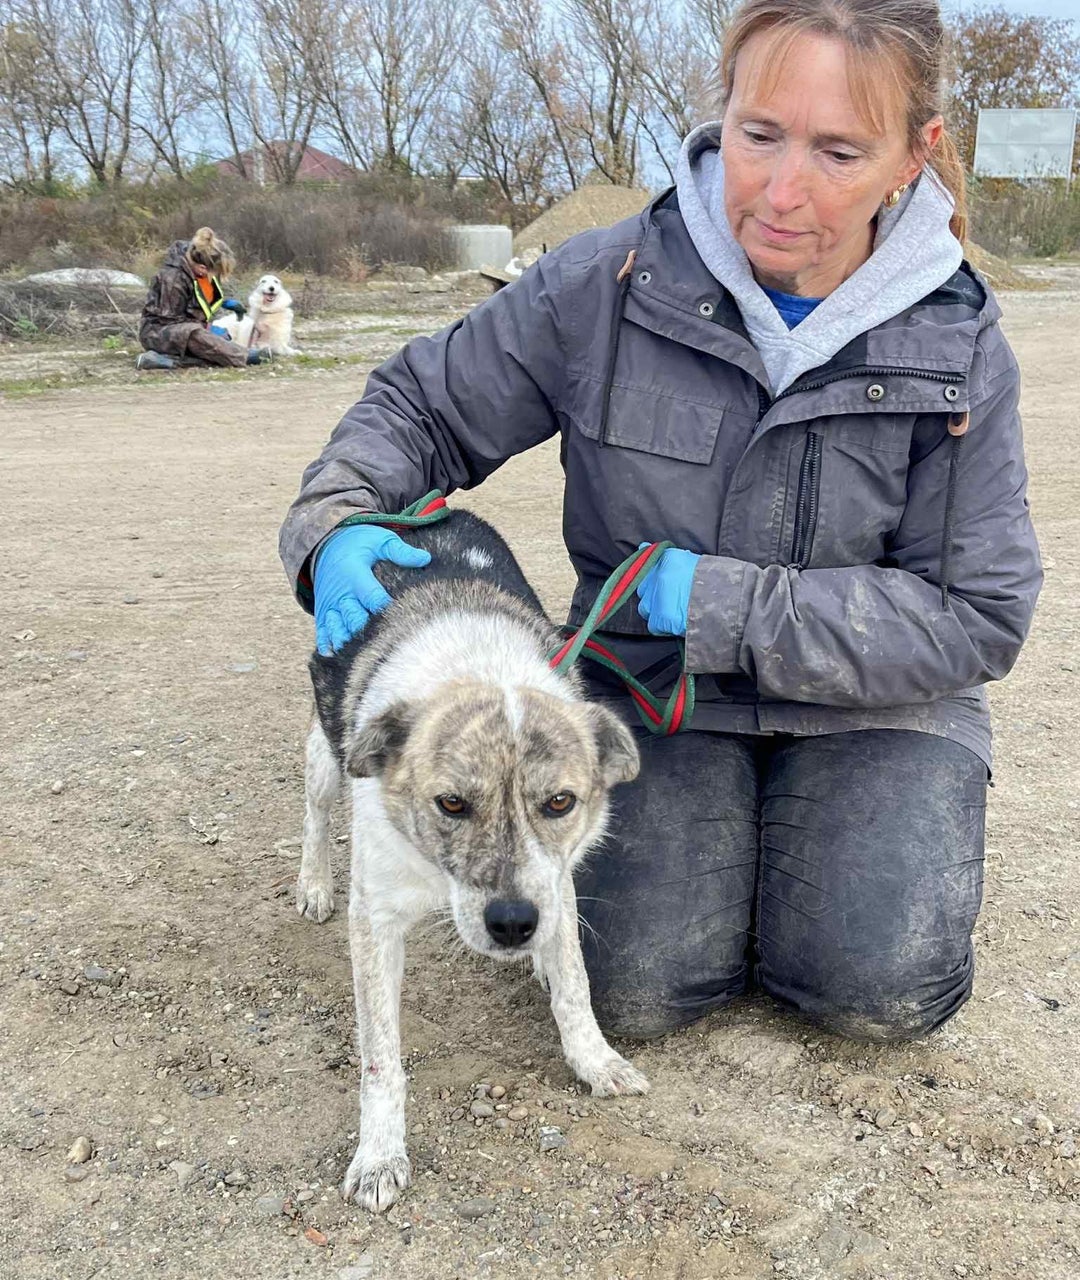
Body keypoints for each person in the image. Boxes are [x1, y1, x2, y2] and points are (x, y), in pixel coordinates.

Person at [279, 0, 1042, 1045]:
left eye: (838, 152)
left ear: (915, 155)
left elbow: (979, 613)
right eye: (759, 135)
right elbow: (420, 407)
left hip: (876, 705)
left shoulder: (960, 342)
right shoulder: (602, 282)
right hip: (656, 691)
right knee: (637, 988)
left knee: (878, 989)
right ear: (722, 115)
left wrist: (719, 602)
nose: (781, 192)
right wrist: (334, 524)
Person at [137, 226, 270, 371]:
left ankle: (162, 361)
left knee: (215, 341)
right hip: (157, 333)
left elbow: (198, 302)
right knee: (195, 334)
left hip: (182, 328)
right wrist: (205, 328)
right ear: (202, 268)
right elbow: (169, 321)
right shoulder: (173, 279)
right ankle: (244, 356)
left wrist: (221, 309)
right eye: (216, 272)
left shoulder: (197, 271)